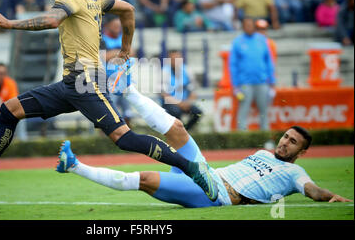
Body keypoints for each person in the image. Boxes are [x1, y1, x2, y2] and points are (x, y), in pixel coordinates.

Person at [0, 0, 214, 200]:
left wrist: (9, 23)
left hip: (87, 81)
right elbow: (127, 9)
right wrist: (125, 51)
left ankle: (192, 168)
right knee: (10, 110)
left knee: (123, 138)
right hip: (71, 83)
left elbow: (51, 20)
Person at [56, 84, 352, 208]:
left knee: (144, 179)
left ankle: (75, 166)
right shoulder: (263, 152)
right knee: (178, 128)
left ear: (301, 153)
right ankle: (128, 87)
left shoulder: (293, 175)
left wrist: (332, 197)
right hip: (205, 172)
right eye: (286, 137)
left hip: (216, 194)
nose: (285, 143)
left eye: (293, 142)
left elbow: (312, 190)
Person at [230, 17, 275, 131]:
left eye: (250, 25)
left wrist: (272, 82)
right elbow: (233, 65)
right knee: (243, 110)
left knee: (264, 111)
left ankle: (265, 137)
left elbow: (268, 61)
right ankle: (242, 137)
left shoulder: (262, 40)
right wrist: (235, 85)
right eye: (246, 25)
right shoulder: (237, 42)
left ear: (254, 26)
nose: (249, 27)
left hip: (262, 82)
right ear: (243, 27)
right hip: (245, 83)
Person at [101, 15, 134, 126]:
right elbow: (104, 57)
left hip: (124, 78)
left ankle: (128, 135)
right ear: (107, 26)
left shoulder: (122, 37)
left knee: (127, 112)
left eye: (119, 26)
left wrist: (115, 53)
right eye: (115, 26)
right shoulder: (102, 39)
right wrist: (122, 52)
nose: (117, 28)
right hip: (109, 80)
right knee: (109, 109)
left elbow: (132, 53)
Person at [161, 50, 203, 131]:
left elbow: (193, 91)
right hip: (170, 103)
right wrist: (180, 104)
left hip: (185, 102)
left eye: (177, 58)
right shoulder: (164, 72)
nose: (175, 60)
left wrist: (188, 102)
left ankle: (185, 131)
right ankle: (179, 132)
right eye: (172, 58)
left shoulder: (187, 70)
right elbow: (163, 94)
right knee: (176, 112)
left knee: (197, 113)